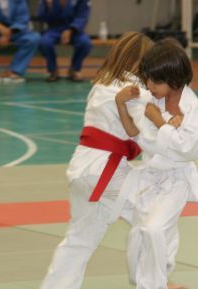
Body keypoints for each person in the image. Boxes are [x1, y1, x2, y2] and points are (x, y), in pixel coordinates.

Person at [39, 31, 153, 289]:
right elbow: (148, 129)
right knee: (154, 219)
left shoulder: (101, 83)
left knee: (79, 240)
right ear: (139, 62)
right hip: (106, 170)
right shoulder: (134, 90)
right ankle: (154, 282)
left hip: (82, 168)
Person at [115, 38, 198, 289]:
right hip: (150, 177)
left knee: (154, 230)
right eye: (148, 79)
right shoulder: (152, 102)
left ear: (176, 78)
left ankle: (156, 285)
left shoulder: (196, 110)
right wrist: (124, 106)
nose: (150, 85)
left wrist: (160, 123)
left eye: (156, 81)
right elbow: (140, 137)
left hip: (176, 180)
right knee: (139, 236)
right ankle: (152, 283)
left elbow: (187, 150)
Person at [37, 0, 91, 82]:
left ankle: (74, 69)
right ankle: (53, 70)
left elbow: (83, 16)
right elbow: (41, 17)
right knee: (44, 42)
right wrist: (49, 6)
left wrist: (72, 29)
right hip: (53, 29)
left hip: (74, 30)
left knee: (85, 42)